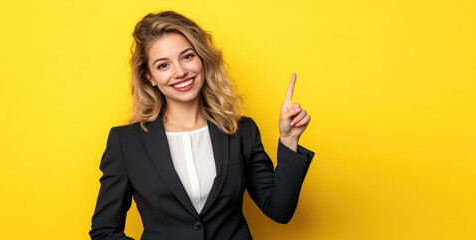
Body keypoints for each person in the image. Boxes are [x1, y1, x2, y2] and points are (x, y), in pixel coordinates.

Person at [89, 11, 314, 240]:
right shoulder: (126, 142)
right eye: (163, 65)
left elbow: (279, 210)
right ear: (150, 77)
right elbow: (104, 230)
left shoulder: (242, 130)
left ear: (202, 59)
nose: (180, 72)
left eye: (187, 57)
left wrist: (289, 140)